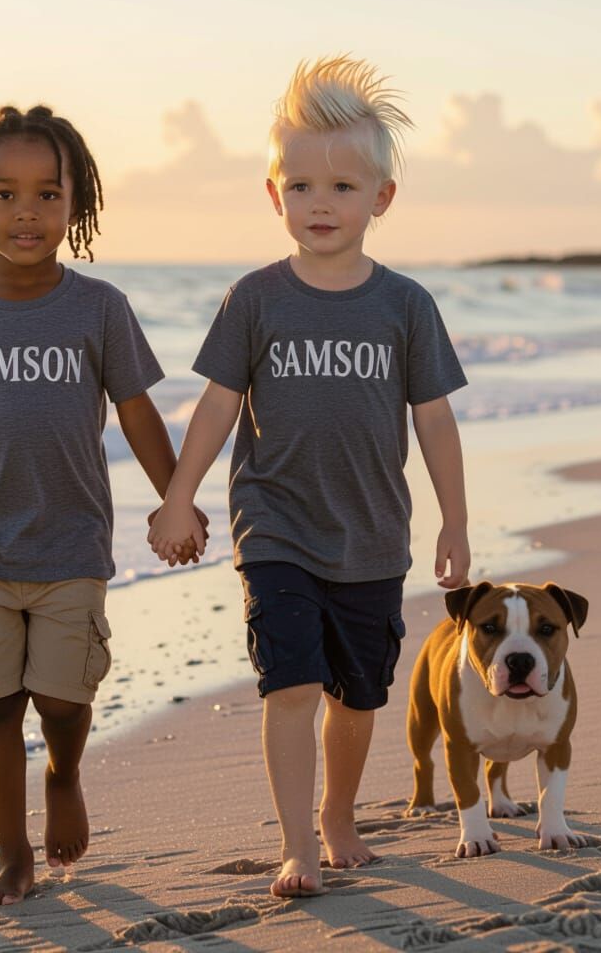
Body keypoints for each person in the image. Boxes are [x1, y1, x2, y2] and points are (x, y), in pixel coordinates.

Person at [147, 56, 470, 898]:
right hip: (276, 526)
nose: (318, 203)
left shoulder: (406, 306)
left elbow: (434, 419)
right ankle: (297, 843)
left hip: (371, 534)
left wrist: (456, 523)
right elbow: (217, 406)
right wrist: (178, 495)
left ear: (381, 199)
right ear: (272, 194)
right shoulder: (255, 299)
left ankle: (338, 815)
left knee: (358, 698)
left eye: (340, 186)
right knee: (288, 681)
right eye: (298, 187)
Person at [0, 104, 202, 906]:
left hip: (72, 540)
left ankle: (63, 770)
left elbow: (137, 414)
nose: (26, 212)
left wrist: (180, 501)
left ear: (77, 205)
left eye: (48, 195)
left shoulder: (99, 308)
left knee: (63, 697)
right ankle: (13, 853)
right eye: (4, 194)